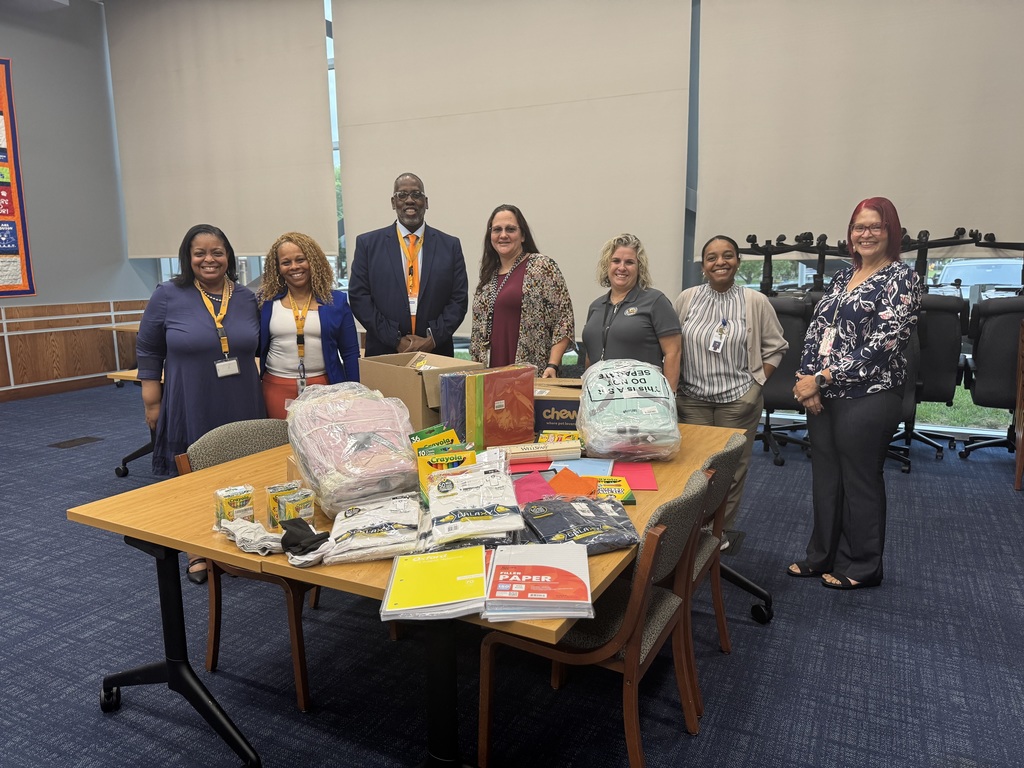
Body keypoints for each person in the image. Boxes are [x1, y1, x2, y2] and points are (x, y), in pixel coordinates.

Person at [789, 197, 920, 590]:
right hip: (824, 394)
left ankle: (862, 565)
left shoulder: (902, 278)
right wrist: (806, 377)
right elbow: (817, 329)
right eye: (859, 227)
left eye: (874, 227)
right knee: (826, 478)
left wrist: (823, 379)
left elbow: (884, 345)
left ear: (890, 231)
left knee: (859, 480)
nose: (865, 234)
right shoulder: (842, 276)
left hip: (870, 395)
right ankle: (821, 555)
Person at [136, 224, 265, 583]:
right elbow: (148, 348)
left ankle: (240, 540)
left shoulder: (244, 297)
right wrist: (151, 400)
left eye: (217, 252)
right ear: (188, 258)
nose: (209, 259)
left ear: (229, 257)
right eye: (200, 253)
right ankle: (196, 549)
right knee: (195, 475)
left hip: (241, 395)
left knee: (241, 470)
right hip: (190, 396)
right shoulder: (168, 294)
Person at [673, 235, 788, 535]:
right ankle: (690, 531)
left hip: (738, 401)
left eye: (727, 256)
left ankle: (718, 532)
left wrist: (756, 387)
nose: (720, 262)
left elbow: (776, 347)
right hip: (693, 399)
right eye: (712, 257)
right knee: (694, 470)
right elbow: (671, 346)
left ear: (737, 261)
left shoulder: (755, 302)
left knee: (730, 472)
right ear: (703, 266)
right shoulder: (686, 299)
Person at [349, 173, 469, 357]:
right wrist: (394, 339)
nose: (410, 200)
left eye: (416, 194)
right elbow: (360, 298)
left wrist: (432, 339)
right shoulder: (368, 244)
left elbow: (458, 299)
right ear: (393, 202)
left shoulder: (450, 246)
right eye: (402, 195)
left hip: (436, 353)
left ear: (426, 202)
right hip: (384, 352)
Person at [257, 231, 360, 419]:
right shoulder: (266, 302)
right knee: (280, 445)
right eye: (286, 262)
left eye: (300, 259)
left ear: (313, 261)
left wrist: (354, 393)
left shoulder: (336, 301)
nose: (294, 267)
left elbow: (350, 352)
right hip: (276, 387)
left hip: (324, 388)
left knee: (320, 444)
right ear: (277, 268)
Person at [469, 204, 574, 377]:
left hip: (531, 372)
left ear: (523, 235)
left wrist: (552, 365)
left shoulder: (542, 266)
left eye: (510, 229)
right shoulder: (488, 276)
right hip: (489, 374)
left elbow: (563, 320)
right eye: (497, 230)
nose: (503, 235)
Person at [581, 233, 681, 391]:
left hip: (642, 400)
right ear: (607, 265)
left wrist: (669, 398)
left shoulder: (655, 301)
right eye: (615, 261)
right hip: (599, 398)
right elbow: (590, 355)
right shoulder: (596, 306)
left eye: (629, 262)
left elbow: (673, 352)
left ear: (639, 267)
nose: (621, 267)